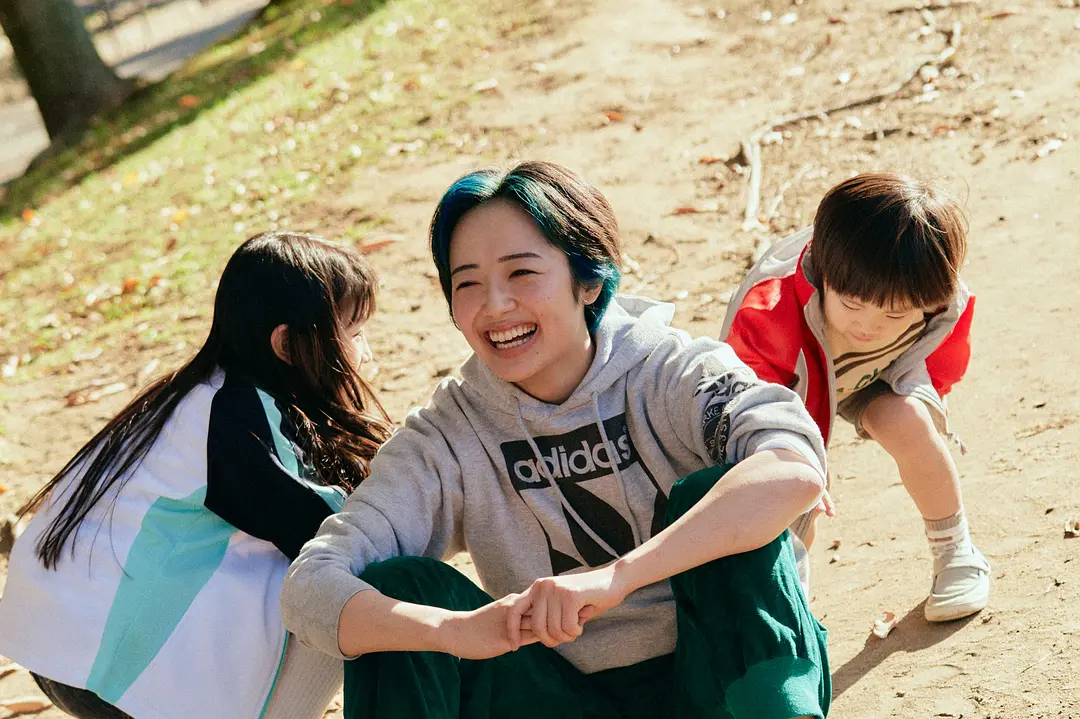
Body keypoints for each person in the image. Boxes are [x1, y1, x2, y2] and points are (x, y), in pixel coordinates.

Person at [282, 161, 832, 719]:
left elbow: (791, 463)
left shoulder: (667, 371)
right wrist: (453, 630)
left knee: (717, 491)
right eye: (467, 283)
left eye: (521, 273)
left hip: (719, 682)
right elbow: (311, 586)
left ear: (588, 280)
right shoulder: (448, 434)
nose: (495, 305)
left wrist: (618, 578)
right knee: (399, 586)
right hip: (560, 692)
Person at [0, 232, 393, 719]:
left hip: (52, 643)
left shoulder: (199, 392)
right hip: (98, 670)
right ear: (287, 344)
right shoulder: (236, 417)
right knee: (351, 580)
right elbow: (336, 533)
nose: (364, 352)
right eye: (354, 334)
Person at [720, 172, 989, 622]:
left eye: (895, 313)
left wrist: (928, 398)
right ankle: (789, 605)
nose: (869, 325)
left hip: (877, 371)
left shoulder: (938, 293)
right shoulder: (765, 315)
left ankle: (956, 550)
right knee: (793, 492)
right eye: (851, 304)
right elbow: (749, 410)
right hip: (790, 388)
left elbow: (941, 355)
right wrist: (795, 461)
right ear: (823, 273)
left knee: (909, 424)